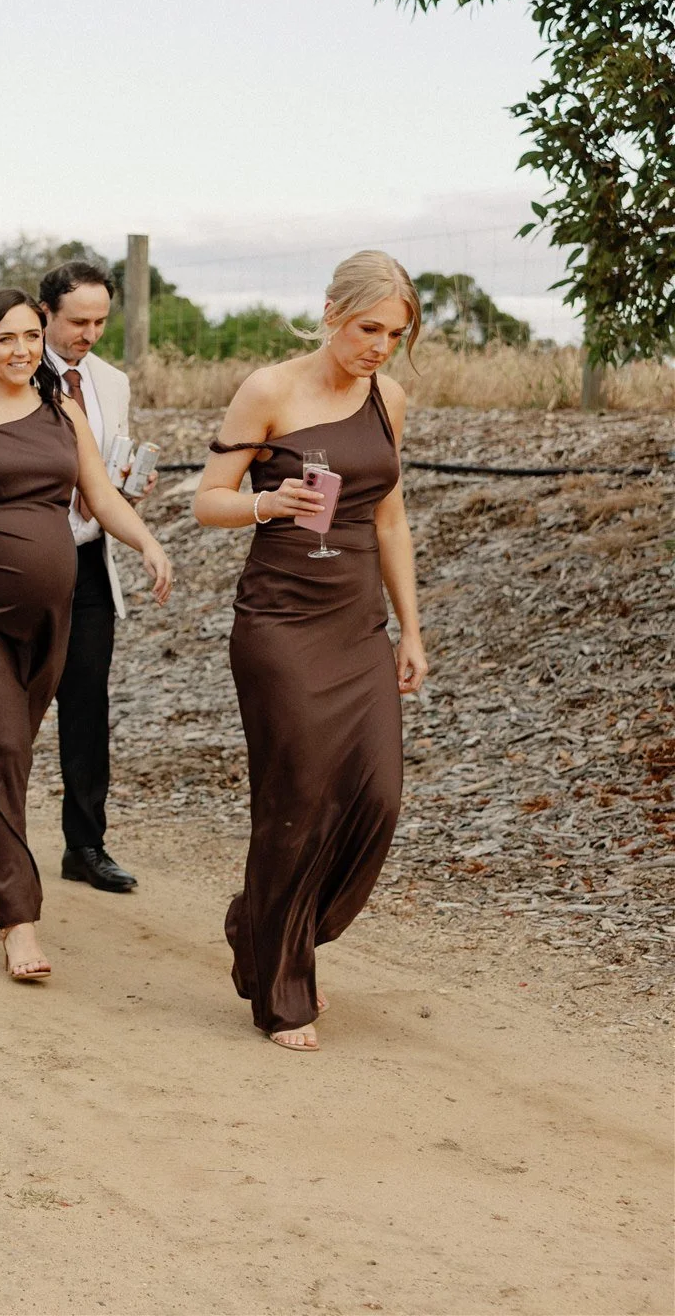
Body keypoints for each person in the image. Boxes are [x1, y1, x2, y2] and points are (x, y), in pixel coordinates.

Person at [0, 289, 171, 981]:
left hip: (49, 614)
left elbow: (100, 498)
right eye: (6, 338)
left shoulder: (60, 410)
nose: (20, 350)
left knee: (8, 755)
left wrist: (148, 543)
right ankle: (21, 923)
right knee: (3, 744)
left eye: (30, 337)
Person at [193, 250, 426, 1052]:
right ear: (332, 311)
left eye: (394, 335)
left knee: (377, 798)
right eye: (369, 328)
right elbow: (205, 502)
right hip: (281, 626)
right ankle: (283, 988)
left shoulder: (387, 397)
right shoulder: (269, 390)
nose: (379, 347)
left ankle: (260, 926)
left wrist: (411, 629)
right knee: (295, 804)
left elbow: (390, 521)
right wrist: (267, 501)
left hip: (357, 627)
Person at [0, 260, 153, 891]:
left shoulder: (109, 383)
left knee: (84, 700)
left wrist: (133, 499)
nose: (89, 332)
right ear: (45, 315)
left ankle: (84, 843)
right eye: (77, 321)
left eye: (101, 321)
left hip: (80, 562)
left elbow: (101, 477)